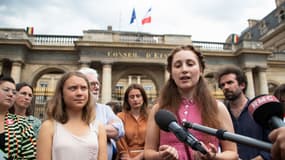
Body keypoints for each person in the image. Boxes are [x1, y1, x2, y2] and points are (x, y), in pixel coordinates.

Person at [144, 45, 238, 160]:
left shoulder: (218, 107)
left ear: (201, 70)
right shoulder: (158, 109)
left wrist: (215, 157)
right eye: (177, 66)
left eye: (190, 64)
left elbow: (232, 152)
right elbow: (148, 152)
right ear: (171, 73)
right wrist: (160, 156)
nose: (184, 70)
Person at [37, 71, 107, 160]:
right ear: (61, 93)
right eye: (73, 88)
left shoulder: (98, 127)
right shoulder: (48, 126)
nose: (79, 93)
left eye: (84, 88)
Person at [216, 65, 271, 160]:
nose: (225, 87)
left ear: (242, 85)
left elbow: (272, 146)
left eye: (230, 82)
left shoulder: (260, 110)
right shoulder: (221, 114)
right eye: (222, 85)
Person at [78, 67, 125, 160]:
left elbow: (119, 130)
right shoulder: (73, 110)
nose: (97, 87)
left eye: (97, 84)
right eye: (92, 84)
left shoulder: (105, 109)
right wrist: (104, 129)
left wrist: (85, 128)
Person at [0, 74, 36, 159]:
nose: (11, 94)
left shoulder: (23, 124)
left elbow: (30, 156)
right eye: (6, 90)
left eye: (14, 92)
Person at [116, 84, 149, 160]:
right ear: (127, 100)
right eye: (132, 97)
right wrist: (126, 157)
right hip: (125, 157)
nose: (135, 99)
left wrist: (139, 157)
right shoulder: (120, 117)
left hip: (146, 156)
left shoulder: (151, 117)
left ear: (143, 98)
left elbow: (153, 142)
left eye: (138, 96)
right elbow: (120, 140)